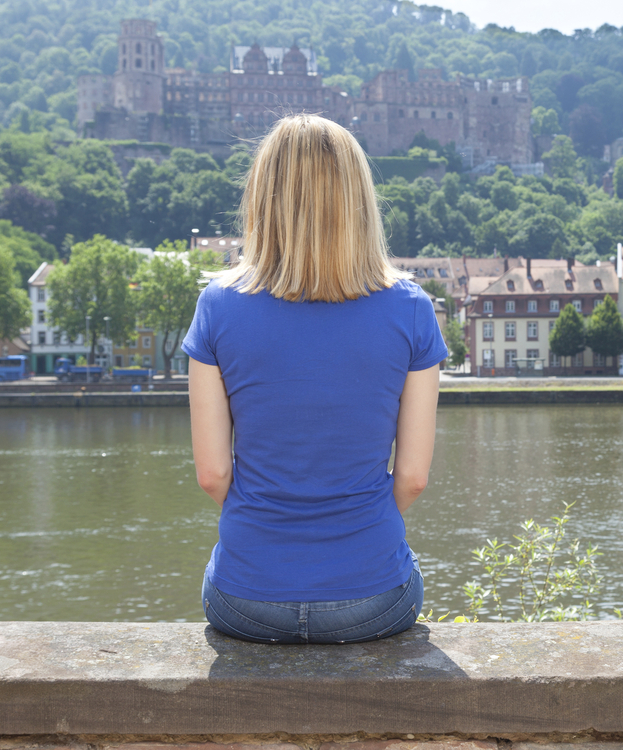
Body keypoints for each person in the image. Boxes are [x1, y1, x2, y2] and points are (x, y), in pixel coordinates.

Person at [182, 115, 447, 645]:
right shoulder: (412, 309)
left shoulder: (217, 305)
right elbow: (413, 478)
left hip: (245, 598)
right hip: (374, 598)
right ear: (359, 201)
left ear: (263, 198)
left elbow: (213, 474)